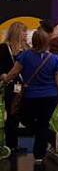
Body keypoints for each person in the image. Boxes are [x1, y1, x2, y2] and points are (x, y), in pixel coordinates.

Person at [1, 29, 58, 165]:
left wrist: (5, 79)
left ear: (33, 41)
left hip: (30, 96)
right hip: (50, 96)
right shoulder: (55, 59)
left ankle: (50, 136)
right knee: (43, 123)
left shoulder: (25, 56)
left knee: (23, 118)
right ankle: (39, 156)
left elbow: (14, 72)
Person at [1, 22, 27, 156]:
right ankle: (11, 145)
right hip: (9, 87)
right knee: (12, 116)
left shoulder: (24, 49)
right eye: (24, 31)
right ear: (17, 32)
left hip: (22, 87)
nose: (26, 34)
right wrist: (3, 75)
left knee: (16, 116)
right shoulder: (4, 48)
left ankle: (13, 144)